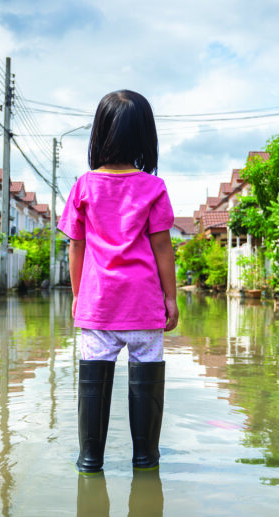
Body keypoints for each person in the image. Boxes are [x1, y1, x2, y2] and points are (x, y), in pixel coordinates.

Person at [58, 90, 178, 475]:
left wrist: (78, 296)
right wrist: (171, 299)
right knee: (147, 379)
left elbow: (76, 248)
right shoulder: (153, 188)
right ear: (146, 137)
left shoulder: (84, 186)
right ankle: (146, 460)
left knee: (93, 382)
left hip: (99, 306)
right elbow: (163, 248)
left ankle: (90, 460)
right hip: (144, 306)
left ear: (99, 133)